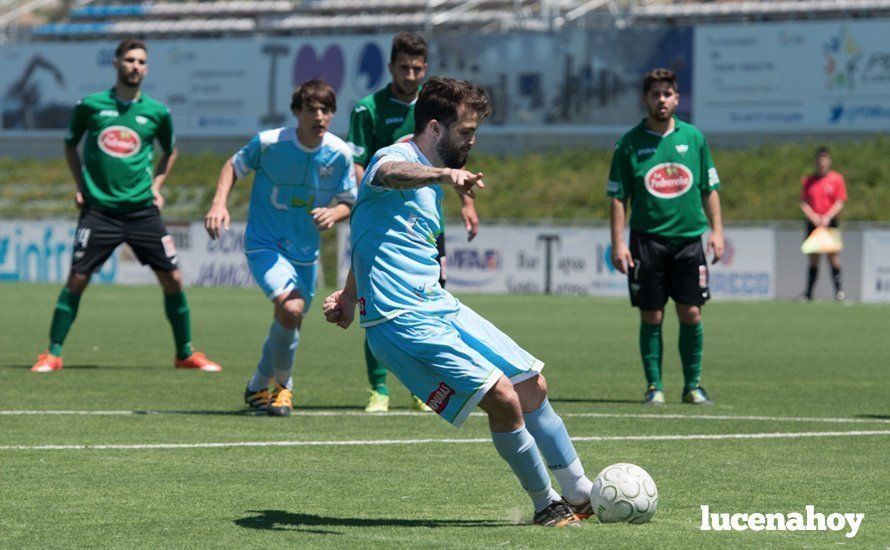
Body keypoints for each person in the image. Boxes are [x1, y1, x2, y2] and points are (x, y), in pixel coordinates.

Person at [324, 77, 593, 527]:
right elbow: (389, 174)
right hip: (399, 322)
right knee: (504, 399)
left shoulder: (430, 183)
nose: (472, 140)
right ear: (434, 127)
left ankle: (579, 490)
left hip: (437, 305)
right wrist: (443, 174)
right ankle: (547, 504)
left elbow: (370, 241)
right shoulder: (392, 160)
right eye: (465, 131)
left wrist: (350, 297)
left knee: (532, 386)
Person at [31, 38, 221, 373]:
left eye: (141, 62)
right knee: (77, 279)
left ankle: (185, 353)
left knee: (173, 279)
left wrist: (157, 185)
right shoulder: (90, 106)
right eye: (130, 60)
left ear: (146, 69)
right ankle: (53, 353)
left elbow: (171, 151)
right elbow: (70, 145)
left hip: (142, 211)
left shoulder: (157, 112)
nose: (135, 66)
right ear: (116, 63)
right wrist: (80, 186)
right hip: (99, 211)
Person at [204, 79, 356, 416]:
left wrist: (335, 212)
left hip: (306, 254)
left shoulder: (340, 153)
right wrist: (219, 203)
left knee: (290, 319)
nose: (320, 116)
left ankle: (258, 384)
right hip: (265, 244)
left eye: (326, 110)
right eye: (312, 109)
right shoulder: (270, 143)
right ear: (297, 112)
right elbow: (232, 166)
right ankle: (284, 387)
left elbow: (349, 200)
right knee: (291, 309)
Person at [348, 32, 480, 413]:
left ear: (425, 69)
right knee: (373, 301)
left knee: (428, 297)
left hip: (424, 218)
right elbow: (362, 163)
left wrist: (466, 204)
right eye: (403, 67)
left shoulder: (433, 108)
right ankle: (379, 389)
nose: (410, 73)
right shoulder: (368, 109)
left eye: (417, 68)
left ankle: (423, 387)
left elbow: (450, 161)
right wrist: (370, 201)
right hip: (381, 213)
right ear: (391, 68)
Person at [607, 68, 724, 406]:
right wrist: (618, 241)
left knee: (691, 313)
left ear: (676, 98)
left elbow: (709, 188)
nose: (661, 99)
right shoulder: (629, 143)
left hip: (689, 241)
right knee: (652, 315)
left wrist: (717, 230)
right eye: (655, 94)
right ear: (645, 99)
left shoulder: (694, 138)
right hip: (647, 241)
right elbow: (617, 197)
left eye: (667, 93)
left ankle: (693, 386)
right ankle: (654, 386)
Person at [799, 146, 847, 301]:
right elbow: (803, 202)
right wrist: (813, 216)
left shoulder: (836, 179)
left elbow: (840, 201)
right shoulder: (809, 180)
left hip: (829, 222)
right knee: (813, 257)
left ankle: (839, 292)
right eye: (819, 159)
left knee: (833, 256)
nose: (822, 162)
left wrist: (827, 216)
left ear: (829, 160)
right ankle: (809, 293)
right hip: (814, 223)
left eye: (824, 158)